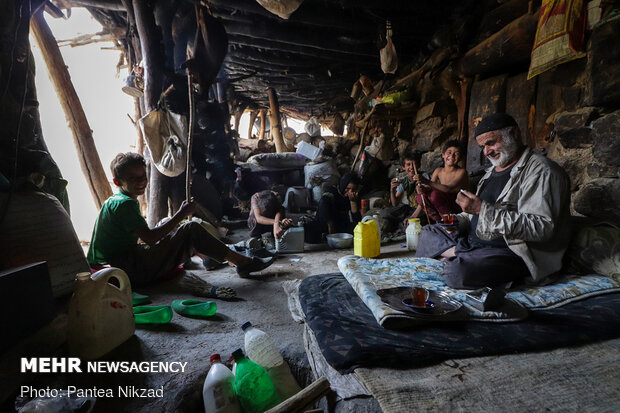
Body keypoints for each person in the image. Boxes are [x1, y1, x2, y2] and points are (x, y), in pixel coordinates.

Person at [415, 113, 571, 289]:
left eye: (491, 143)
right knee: (428, 232)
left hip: (510, 253)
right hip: (475, 243)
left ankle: (455, 257)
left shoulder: (542, 171)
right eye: (483, 146)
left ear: (514, 133)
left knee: (457, 272)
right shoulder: (491, 173)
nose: (486, 152)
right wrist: (456, 221)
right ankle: (459, 254)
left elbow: (542, 228)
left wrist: (482, 210)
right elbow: (471, 215)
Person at [87, 153, 275, 297]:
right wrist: (181, 214)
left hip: (115, 263)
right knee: (190, 228)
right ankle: (241, 262)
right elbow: (150, 238)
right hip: (121, 269)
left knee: (182, 232)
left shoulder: (115, 200)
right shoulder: (125, 204)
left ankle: (224, 257)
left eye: (142, 176)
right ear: (118, 182)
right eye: (133, 178)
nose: (141, 181)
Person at [412, 140, 468, 223]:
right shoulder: (438, 171)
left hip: (456, 206)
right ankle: (439, 222)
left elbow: (448, 189)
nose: (452, 156)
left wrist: (426, 181)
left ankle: (450, 222)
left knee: (435, 194)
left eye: (456, 154)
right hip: (443, 204)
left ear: (460, 158)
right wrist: (422, 188)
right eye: (449, 152)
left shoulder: (461, 172)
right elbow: (428, 187)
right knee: (421, 197)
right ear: (443, 155)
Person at [380, 150, 428, 234]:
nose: (411, 167)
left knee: (409, 226)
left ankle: (401, 224)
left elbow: (425, 201)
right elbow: (395, 203)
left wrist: (413, 217)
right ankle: (402, 223)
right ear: (403, 167)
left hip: (421, 209)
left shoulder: (424, 177)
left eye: (414, 164)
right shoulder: (404, 180)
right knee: (385, 212)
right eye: (408, 164)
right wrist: (392, 190)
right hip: (410, 209)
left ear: (419, 165)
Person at [304, 173, 361, 242]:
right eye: (348, 188)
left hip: (340, 226)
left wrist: (353, 202)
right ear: (343, 185)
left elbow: (357, 221)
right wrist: (331, 231)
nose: (350, 192)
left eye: (353, 189)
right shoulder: (331, 193)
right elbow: (323, 206)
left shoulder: (353, 196)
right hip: (326, 225)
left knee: (357, 230)